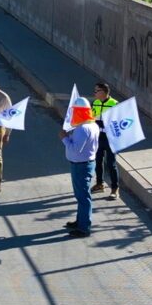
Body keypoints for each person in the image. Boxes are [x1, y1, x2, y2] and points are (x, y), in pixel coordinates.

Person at [59, 97, 100, 238]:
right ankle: (80, 221)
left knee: (83, 197)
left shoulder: (83, 128)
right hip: (84, 164)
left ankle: (83, 228)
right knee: (81, 196)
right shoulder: (92, 125)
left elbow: (76, 149)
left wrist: (64, 138)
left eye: (75, 111)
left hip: (81, 166)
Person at [91, 82, 120, 200]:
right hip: (98, 136)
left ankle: (115, 188)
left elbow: (118, 122)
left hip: (110, 138)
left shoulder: (115, 104)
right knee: (98, 161)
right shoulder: (95, 103)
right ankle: (99, 184)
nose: (94, 93)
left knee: (111, 164)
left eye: (96, 91)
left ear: (103, 92)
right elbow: (91, 117)